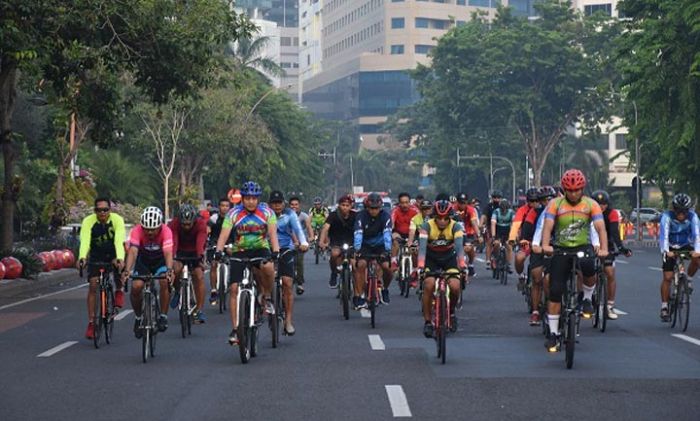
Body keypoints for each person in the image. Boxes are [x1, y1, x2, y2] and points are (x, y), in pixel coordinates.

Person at [541, 169, 608, 352]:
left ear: (582, 189)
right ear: (564, 189)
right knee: (555, 290)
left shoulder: (590, 204)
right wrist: (546, 245)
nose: (573, 194)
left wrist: (604, 249)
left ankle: (586, 298)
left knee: (589, 267)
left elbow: (600, 228)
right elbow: (548, 226)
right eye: (569, 190)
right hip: (561, 248)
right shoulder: (555, 204)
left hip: (582, 247)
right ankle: (553, 334)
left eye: (577, 190)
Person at [214, 181, 280, 345]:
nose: (251, 201)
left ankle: (266, 297)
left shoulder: (267, 212)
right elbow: (224, 235)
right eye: (247, 198)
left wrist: (276, 251)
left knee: (268, 267)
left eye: (254, 198)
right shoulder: (233, 214)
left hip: (260, 248)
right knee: (235, 288)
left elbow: (272, 235)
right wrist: (218, 251)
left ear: (258, 199)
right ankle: (236, 329)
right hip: (240, 250)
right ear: (242, 199)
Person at [417, 197, 467, 337]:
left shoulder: (456, 226)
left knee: (456, 286)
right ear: (434, 217)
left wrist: (462, 265)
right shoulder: (426, 226)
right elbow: (422, 249)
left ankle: (451, 313)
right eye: (439, 218)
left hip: (449, 259)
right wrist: (420, 266)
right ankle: (427, 322)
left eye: (446, 218)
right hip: (431, 259)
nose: (442, 221)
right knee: (428, 284)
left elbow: (459, 248)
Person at [78, 197, 126, 340]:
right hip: (96, 255)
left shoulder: (117, 220)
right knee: (93, 285)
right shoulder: (88, 221)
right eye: (99, 210)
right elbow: (85, 240)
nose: (102, 213)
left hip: (112, 253)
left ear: (110, 210)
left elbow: (119, 240)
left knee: (119, 266)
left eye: (105, 210)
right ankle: (92, 323)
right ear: (95, 211)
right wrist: (82, 257)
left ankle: (118, 290)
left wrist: (119, 258)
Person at [121, 207, 174, 337]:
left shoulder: (166, 231)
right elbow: (133, 251)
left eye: (153, 229)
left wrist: (169, 270)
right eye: (146, 229)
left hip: (160, 261)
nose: (150, 232)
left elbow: (168, 252)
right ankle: (138, 317)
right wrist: (127, 270)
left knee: (163, 281)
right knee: (136, 287)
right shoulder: (137, 230)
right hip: (143, 261)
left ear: (160, 226)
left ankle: (163, 315)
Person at [268, 191, 309, 335]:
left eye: (279, 203)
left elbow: (298, 229)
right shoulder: (265, 214)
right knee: (261, 276)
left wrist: (303, 242)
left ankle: (288, 321)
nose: (277, 206)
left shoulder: (290, 214)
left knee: (287, 283)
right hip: (267, 248)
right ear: (269, 204)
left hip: (286, 249)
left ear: (283, 203)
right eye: (274, 203)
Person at [658, 193, 700, 322]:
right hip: (670, 246)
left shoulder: (693, 217)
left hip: (686, 244)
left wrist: (697, 251)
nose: (681, 214)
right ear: (674, 209)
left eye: (684, 211)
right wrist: (666, 251)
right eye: (678, 211)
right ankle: (664, 307)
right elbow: (663, 236)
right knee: (668, 277)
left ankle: (689, 280)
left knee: (697, 259)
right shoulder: (666, 217)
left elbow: (697, 235)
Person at [591, 190, 632, 320]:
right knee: (585, 272)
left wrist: (621, 248)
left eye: (603, 204)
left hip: (606, 244)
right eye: (598, 204)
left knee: (609, 272)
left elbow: (614, 232)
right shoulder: (587, 213)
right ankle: (586, 297)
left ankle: (609, 305)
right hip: (589, 243)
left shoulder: (612, 213)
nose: (601, 207)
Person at [168, 203, 209, 324]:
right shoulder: (174, 224)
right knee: (175, 269)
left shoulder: (201, 224)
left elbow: (200, 241)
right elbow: (173, 241)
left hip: (195, 251)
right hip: (180, 250)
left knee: (199, 276)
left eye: (189, 224)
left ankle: (199, 309)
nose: (186, 226)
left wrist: (200, 257)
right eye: (183, 224)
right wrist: (173, 257)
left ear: (194, 221)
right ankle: (177, 289)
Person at [354, 192, 393, 308]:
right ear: (367, 207)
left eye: (376, 208)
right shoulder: (361, 216)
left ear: (380, 207)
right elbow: (358, 233)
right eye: (371, 208)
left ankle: (385, 289)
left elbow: (387, 234)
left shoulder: (385, 216)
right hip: (365, 245)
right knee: (360, 265)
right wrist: (357, 249)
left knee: (387, 267)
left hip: (380, 245)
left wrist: (387, 249)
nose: (374, 211)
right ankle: (359, 296)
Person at [319, 194, 358, 288]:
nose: (345, 207)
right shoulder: (333, 215)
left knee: (355, 264)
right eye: (343, 205)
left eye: (347, 205)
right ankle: (334, 273)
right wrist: (321, 242)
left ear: (351, 206)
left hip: (352, 242)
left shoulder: (356, 215)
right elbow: (325, 228)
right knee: (334, 255)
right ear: (339, 205)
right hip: (336, 242)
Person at [509, 187, 540, 289]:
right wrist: (512, 238)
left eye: (537, 200)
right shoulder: (522, 210)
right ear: (527, 201)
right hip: (526, 240)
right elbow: (516, 225)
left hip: (541, 241)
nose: (534, 203)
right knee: (519, 258)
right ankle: (521, 275)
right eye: (532, 201)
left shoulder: (544, 210)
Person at [208, 197, 232, 305]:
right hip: (215, 244)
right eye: (222, 206)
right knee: (214, 264)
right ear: (219, 207)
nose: (225, 208)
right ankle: (213, 290)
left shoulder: (233, 218)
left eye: (227, 206)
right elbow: (207, 230)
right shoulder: (214, 218)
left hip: (230, 244)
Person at [289, 196, 314, 294]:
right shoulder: (285, 215)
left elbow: (309, 227)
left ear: (299, 206)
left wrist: (311, 237)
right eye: (292, 205)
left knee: (299, 262)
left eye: (296, 205)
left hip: (300, 243)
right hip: (288, 242)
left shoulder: (304, 216)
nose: (294, 207)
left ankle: (299, 283)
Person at [454, 192, 481, 277]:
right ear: (457, 202)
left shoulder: (470, 210)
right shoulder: (452, 209)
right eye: (460, 202)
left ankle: (471, 264)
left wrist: (479, 235)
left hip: (468, 232)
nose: (462, 205)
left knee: (470, 248)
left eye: (464, 202)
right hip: (454, 232)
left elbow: (474, 223)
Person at [390, 192, 418, 269]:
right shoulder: (395, 211)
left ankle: (415, 270)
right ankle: (394, 261)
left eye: (406, 202)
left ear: (410, 202)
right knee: (395, 240)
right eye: (402, 203)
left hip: (412, 234)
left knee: (415, 250)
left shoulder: (415, 211)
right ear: (399, 203)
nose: (404, 205)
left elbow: (421, 225)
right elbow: (391, 223)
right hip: (398, 233)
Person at [491, 199, 515, 273]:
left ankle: (509, 264)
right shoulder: (496, 212)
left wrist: (513, 236)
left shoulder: (511, 212)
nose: (504, 211)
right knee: (496, 244)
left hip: (507, 230)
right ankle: (495, 258)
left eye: (505, 209)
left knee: (509, 246)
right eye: (502, 209)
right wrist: (493, 236)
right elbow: (493, 224)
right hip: (498, 230)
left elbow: (514, 225)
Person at [481, 190, 503, 269]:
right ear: (492, 198)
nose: (496, 199)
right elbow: (484, 216)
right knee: (489, 241)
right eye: (495, 197)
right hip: (490, 226)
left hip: (501, 226)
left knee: (502, 243)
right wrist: (481, 224)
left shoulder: (503, 206)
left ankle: (506, 261)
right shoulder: (488, 206)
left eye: (498, 198)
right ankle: (488, 260)